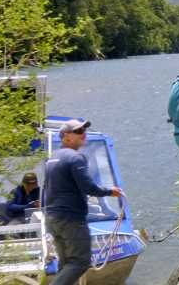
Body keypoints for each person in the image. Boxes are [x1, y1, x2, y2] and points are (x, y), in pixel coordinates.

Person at [42, 119, 123, 285]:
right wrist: (110, 191)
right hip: (70, 219)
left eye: (84, 131)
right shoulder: (76, 158)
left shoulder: (52, 158)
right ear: (65, 137)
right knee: (80, 262)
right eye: (78, 131)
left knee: (65, 265)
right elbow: (88, 187)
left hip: (52, 218)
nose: (83, 134)